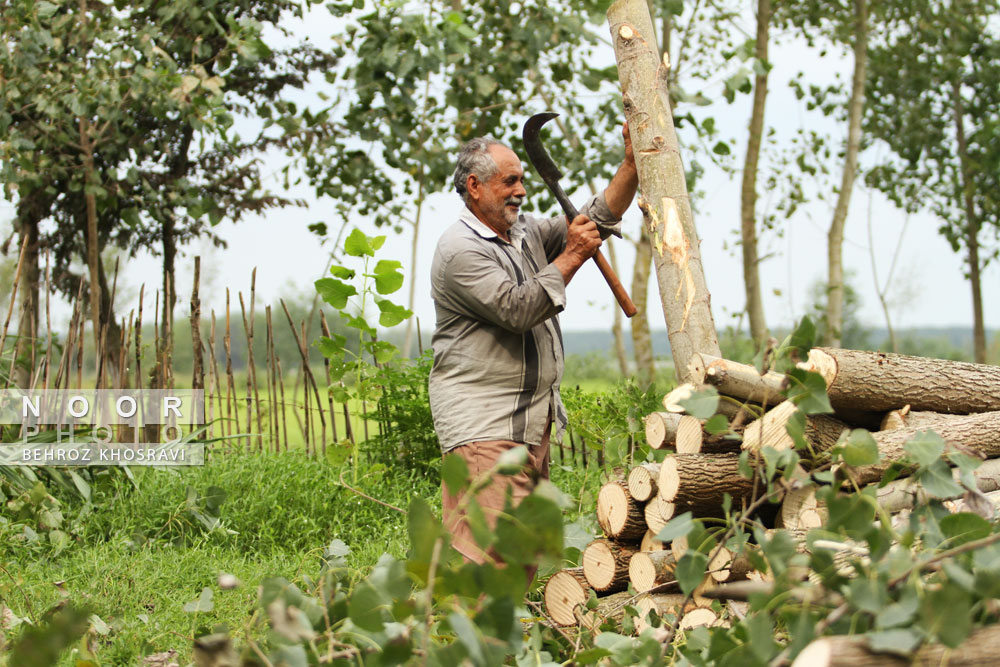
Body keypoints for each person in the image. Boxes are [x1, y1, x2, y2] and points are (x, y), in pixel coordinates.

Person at [429, 123, 638, 567]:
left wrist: (631, 166)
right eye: (510, 181)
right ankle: (466, 636)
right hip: (485, 426)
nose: (521, 191)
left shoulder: (523, 233)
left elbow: (592, 220)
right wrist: (574, 255)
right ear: (474, 186)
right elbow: (517, 308)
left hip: (526, 424)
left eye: (523, 179)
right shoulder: (460, 250)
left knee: (521, 555)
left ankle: (493, 636)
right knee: (491, 558)